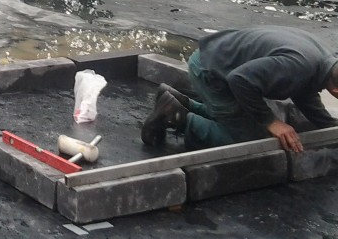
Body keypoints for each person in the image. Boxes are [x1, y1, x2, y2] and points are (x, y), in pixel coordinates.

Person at [141, 26, 338, 152]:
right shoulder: (299, 65)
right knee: (249, 141)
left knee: (248, 120)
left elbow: (303, 91)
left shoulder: (322, 60)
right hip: (212, 73)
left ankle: (179, 102)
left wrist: (329, 125)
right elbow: (239, 80)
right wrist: (271, 122)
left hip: (218, 61)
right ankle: (176, 116)